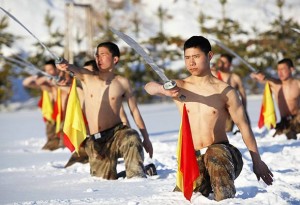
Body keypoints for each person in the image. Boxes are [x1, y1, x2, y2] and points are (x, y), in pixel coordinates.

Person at [144, 36, 273, 201]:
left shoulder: (225, 91)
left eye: (196, 57)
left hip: (223, 154)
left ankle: (226, 200)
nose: (191, 63)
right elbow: (148, 87)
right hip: (194, 158)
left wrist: (257, 161)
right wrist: (163, 89)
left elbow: (244, 126)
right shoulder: (179, 87)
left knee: (214, 153)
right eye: (187, 58)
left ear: (209, 56)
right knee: (186, 197)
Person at [56, 42, 153, 179]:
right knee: (103, 180)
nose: (98, 58)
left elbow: (134, 111)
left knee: (131, 136)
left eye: (103, 54)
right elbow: (74, 69)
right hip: (96, 141)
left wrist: (146, 139)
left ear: (115, 59)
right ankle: (146, 170)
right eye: (97, 55)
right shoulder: (87, 77)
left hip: (117, 133)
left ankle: (137, 176)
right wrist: (66, 65)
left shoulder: (122, 82)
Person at [251, 58, 300, 139]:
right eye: (278, 70)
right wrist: (258, 75)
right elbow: (257, 77)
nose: (280, 72)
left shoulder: (298, 84)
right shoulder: (275, 84)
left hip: (297, 120)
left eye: (283, 69)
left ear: (291, 69)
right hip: (284, 121)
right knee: (277, 136)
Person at [23, 59, 62, 151]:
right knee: (50, 132)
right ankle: (51, 144)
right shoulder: (45, 83)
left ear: (57, 69)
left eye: (50, 70)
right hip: (50, 113)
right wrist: (37, 77)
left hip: (62, 113)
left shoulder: (62, 80)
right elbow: (26, 83)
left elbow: (58, 85)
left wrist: (51, 80)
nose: (48, 72)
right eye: (46, 70)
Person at [212, 54, 248, 133]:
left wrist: (244, 111)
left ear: (230, 64)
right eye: (220, 62)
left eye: (224, 62)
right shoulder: (213, 74)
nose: (221, 64)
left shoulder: (235, 78)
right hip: (216, 111)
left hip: (231, 110)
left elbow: (243, 96)